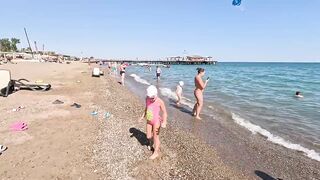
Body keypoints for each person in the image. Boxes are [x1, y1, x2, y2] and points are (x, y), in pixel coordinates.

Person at [139, 85, 167, 160]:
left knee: (156, 136)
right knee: (148, 136)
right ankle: (151, 142)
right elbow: (147, 108)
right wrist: (142, 116)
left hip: (156, 121)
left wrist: (164, 122)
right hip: (149, 120)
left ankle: (156, 152)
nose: (151, 99)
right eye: (149, 97)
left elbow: (164, 112)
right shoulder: (147, 98)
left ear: (156, 94)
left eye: (152, 98)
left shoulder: (160, 101)